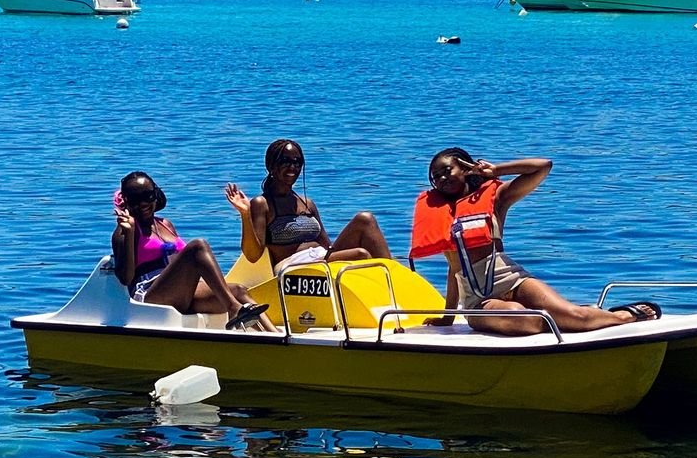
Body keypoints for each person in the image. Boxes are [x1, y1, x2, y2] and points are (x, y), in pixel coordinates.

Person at [409, 148, 661, 336]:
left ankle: (621, 316)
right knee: (526, 321)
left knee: (576, 317)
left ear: (465, 168)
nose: (441, 178)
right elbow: (454, 270)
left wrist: (496, 171)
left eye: (447, 170)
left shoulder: (495, 199)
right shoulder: (442, 217)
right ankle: (573, 317)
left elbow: (543, 166)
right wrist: (448, 315)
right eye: (435, 176)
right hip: (479, 300)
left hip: (513, 279)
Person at [112, 171, 275, 331]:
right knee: (198, 246)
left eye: (147, 196)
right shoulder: (123, 232)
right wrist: (130, 232)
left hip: (180, 292)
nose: (143, 204)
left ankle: (278, 339)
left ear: (156, 194)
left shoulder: (165, 224)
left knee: (238, 290)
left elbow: (179, 268)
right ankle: (233, 308)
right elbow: (125, 278)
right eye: (135, 199)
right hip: (149, 296)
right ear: (125, 201)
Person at [225, 138, 392, 271]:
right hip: (293, 267)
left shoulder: (307, 204)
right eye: (286, 161)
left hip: (320, 258)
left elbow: (328, 246)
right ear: (271, 166)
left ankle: (396, 282)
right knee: (360, 254)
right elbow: (253, 255)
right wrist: (245, 215)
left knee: (365, 219)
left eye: (297, 162)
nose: (293, 166)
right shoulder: (262, 203)